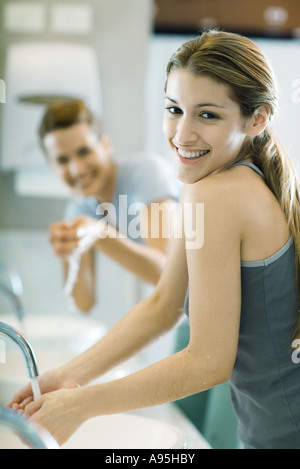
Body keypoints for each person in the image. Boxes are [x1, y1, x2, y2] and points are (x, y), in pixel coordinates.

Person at [8, 30, 300, 449]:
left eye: (208, 115)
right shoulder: (219, 180)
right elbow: (164, 304)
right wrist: (67, 378)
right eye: (174, 109)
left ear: (257, 119)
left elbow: (208, 361)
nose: (182, 134)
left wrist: (81, 405)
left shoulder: (217, 193)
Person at [38, 100, 180, 313]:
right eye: (62, 160)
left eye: (84, 151)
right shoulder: (80, 210)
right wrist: (69, 252)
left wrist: (98, 233)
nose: (76, 169)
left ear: (106, 144)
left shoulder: (146, 173)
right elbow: (83, 304)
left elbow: (167, 274)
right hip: (186, 308)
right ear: (51, 167)